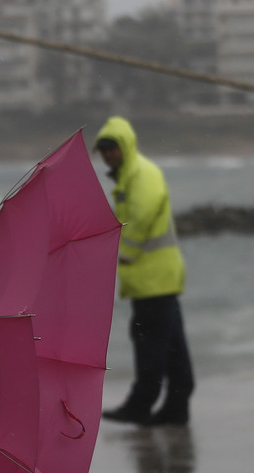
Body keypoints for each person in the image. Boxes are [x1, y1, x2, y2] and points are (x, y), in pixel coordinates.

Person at [95, 116, 195, 426]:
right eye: (103, 150)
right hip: (155, 280)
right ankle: (177, 407)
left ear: (125, 146)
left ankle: (141, 404)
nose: (109, 154)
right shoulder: (128, 177)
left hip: (152, 280)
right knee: (172, 348)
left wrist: (122, 254)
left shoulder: (141, 175)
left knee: (149, 344)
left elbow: (142, 214)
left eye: (113, 147)